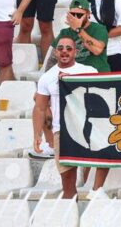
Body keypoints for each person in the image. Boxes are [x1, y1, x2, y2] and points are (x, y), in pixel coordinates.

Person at [50, 0, 111, 194]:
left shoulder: (99, 29)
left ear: (88, 15)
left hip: (99, 89)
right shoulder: (64, 33)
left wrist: (78, 30)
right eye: (73, 14)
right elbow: (55, 56)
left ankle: (97, 189)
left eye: (79, 14)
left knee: (101, 139)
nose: (75, 17)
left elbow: (97, 49)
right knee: (77, 138)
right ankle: (78, 185)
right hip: (74, 93)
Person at [32, 35, 96, 199]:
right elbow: (39, 108)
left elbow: (99, 96)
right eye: (60, 48)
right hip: (62, 131)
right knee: (67, 180)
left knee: (94, 174)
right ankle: (71, 210)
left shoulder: (89, 71)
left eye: (69, 48)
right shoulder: (47, 77)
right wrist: (37, 135)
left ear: (75, 52)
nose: (64, 51)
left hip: (89, 129)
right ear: (55, 53)